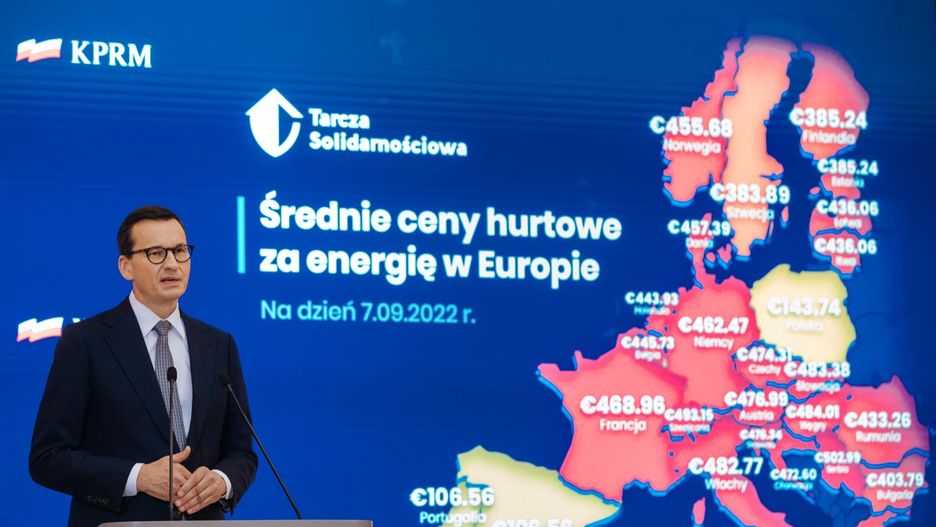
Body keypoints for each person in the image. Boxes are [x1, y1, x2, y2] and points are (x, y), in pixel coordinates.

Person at [29, 206, 258, 527]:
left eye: (180, 251)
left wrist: (222, 480)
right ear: (126, 267)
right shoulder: (86, 342)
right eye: (156, 253)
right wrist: (138, 477)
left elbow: (242, 452)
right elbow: (48, 458)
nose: (172, 264)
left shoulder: (220, 345)